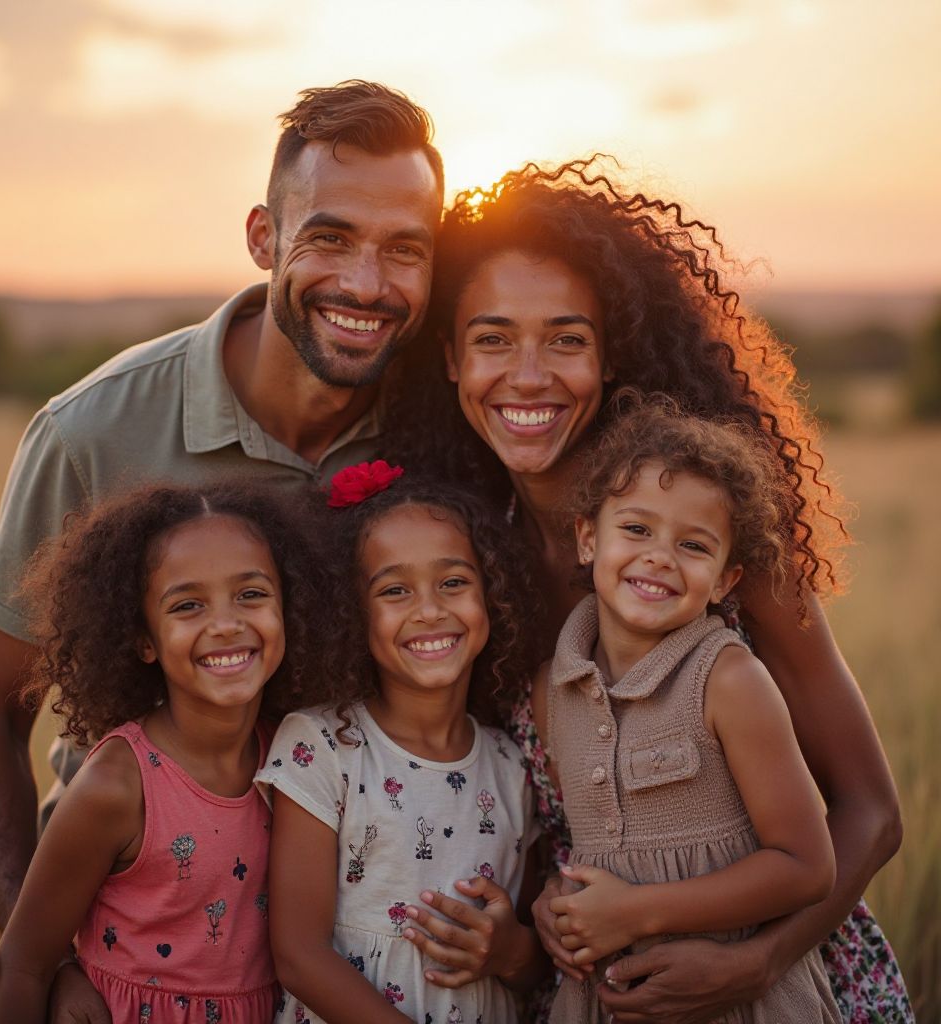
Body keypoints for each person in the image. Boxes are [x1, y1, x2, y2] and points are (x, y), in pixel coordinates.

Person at [0, 79, 444, 1000]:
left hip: (369, 954)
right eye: (330, 237)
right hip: (138, 947)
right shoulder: (93, 432)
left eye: (403, 251)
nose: (366, 284)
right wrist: (48, 960)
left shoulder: (448, 429)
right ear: (264, 238)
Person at [386, 157, 911, 1022]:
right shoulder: (466, 576)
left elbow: (872, 813)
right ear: (449, 360)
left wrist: (753, 965)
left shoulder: (705, 546)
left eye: (566, 338)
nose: (527, 375)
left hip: (786, 983)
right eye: (492, 339)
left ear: (609, 353)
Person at [544, 394, 842, 1022]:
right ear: (586, 538)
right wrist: (558, 903)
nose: (659, 556)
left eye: (694, 546)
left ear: (727, 580)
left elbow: (806, 866)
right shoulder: (558, 686)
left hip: (731, 999)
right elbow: (583, 846)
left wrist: (636, 911)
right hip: (609, 998)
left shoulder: (729, 680)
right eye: (635, 529)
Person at [0, 480, 319, 1022]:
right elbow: (18, 968)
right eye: (187, 605)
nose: (226, 624)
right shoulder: (117, 786)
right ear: (143, 639)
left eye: (251, 594)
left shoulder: (299, 759)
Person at [257, 465, 546, 1024]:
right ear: (351, 613)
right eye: (394, 590)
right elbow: (298, 956)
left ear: (494, 594)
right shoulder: (321, 746)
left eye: (454, 582)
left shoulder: (512, 765)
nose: (430, 610)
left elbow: (532, 964)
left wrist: (513, 951)